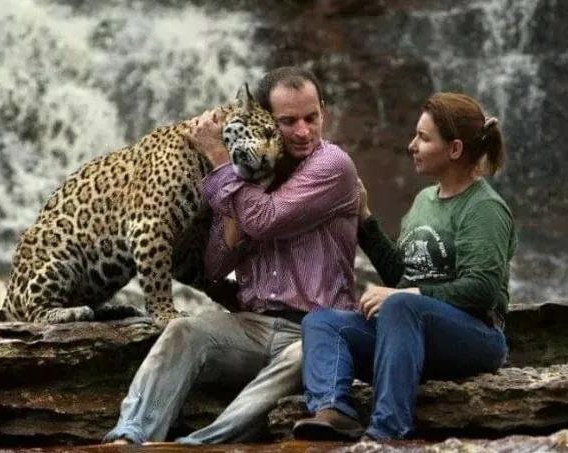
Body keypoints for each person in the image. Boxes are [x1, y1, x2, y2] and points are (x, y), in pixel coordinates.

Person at [102, 66, 360, 445]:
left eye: (311, 117)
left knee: (302, 356)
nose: (303, 132)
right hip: (252, 325)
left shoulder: (331, 165)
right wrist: (240, 180)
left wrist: (219, 160)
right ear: (263, 120)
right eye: (287, 122)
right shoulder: (243, 172)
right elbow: (216, 265)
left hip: (315, 328)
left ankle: (200, 445)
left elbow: (266, 220)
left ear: (324, 111)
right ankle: (129, 436)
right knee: (184, 330)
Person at [292, 92, 517, 442]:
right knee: (322, 321)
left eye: (423, 138)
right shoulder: (425, 200)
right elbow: (403, 276)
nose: (411, 145)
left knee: (399, 304)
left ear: (454, 149)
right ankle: (333, 410)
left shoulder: (483, 208)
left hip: (476, 337)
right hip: (412, 333)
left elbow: (482, 291)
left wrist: (409, 294)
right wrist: (363, 217)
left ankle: (387, 430)